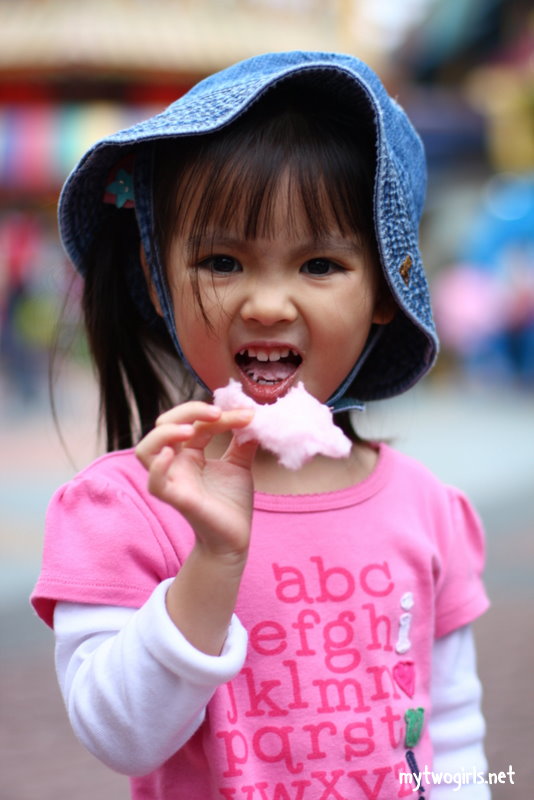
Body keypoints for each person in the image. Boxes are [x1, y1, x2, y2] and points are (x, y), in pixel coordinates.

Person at [31, 52, 490, 799]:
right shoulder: (127, 508)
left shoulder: (426, 509)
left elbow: (454, 733)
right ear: (156, 275)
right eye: (222, 260)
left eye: (319, 265)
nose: (269, 304)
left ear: (383, 288)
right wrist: (213, 556)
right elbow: (119, 736)